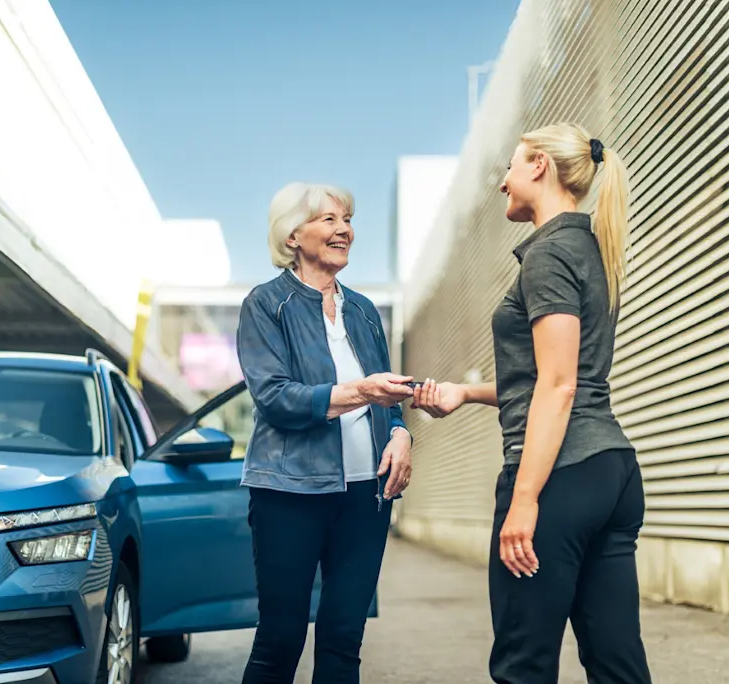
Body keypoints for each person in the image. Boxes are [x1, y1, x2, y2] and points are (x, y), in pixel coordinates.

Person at [413, 123, 653, 684]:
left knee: (523, 664)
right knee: (618, 665)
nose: (503, 182)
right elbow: (556, 376)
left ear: (539, 165)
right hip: (610, 471)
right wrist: (468, 392)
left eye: (512, 165)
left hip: (559, 476)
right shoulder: (591, 246)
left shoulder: (549, 253)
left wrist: (525, 497)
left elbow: (560, 384)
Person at [236, 181, 415, 683]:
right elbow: (275, 398)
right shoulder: (266, 305)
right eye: (329, 220)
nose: (344, 231)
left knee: (342, 641)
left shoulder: (363, 311)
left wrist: (400, 435)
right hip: (289, 493)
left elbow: (389, 401)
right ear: (293, 235)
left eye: (348, 220)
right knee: (280, 640)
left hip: (365, 497)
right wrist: (360, 391)